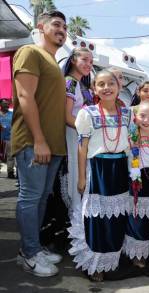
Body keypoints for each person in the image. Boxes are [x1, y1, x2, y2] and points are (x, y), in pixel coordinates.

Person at [12, 11, 67, 277]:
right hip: (35, 142)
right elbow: (24, 95)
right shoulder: (29, 52)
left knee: (42, 198)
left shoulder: (53, 62)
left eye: (65, 27)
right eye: (56, 24)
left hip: (53, 145)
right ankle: (28, 254)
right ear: (40, 27)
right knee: (30, 198)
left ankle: (34, 246)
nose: (62, 30)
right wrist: (39, 139)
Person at [68, 69, 131, 282]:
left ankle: (111, 259)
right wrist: (81, 177)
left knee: (117, 217)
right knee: (95, 218)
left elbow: (132, 146)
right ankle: (95, 264)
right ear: (94, 89)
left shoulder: (127, 114)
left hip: (121, 168)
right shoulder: (88, 113)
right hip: (98, 169)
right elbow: (82, 148)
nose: (106, 88)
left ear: (118, 87)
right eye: (101, 84)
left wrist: (135, 172)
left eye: (110, 83)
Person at [124, 101, 149, 267]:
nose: (146, 120)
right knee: (136, 218)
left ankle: (147, 251)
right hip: (135, 180)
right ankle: (136, 253)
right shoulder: (131, 135)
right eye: (142, 116)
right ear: (135, 117)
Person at [61, 47, 93, 219]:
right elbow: (66, 116)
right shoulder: (71, 82)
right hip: (73, 137)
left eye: (91, 61)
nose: (89, 64)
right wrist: (87, 131)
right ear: (73, 60)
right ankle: (75, 226)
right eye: (85, 60)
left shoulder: (83, 85)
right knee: (75, 176)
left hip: (82, 138)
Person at [0, 98, 15, 178]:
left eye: (8, 104)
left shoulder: (12, 114)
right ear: (0, 105)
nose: (7, 105)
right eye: (5, 103)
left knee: (10, 155)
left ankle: (10, 172)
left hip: (9, 138)